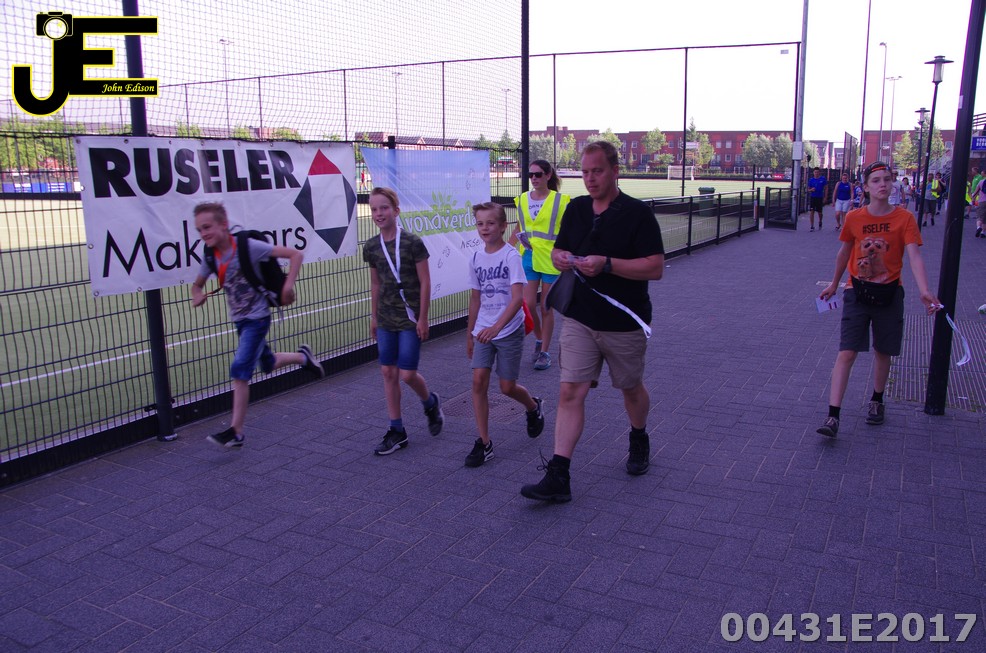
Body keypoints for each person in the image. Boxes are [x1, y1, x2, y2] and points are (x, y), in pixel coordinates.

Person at [520, 141, 664, 503]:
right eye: (585, 172)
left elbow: (655, 267)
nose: (590, 178)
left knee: (630, 389)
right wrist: (561, 257)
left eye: (597, 171)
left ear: (615, 170)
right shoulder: (577, 208)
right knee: (570, 391)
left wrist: (608, 264)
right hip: (580, 317)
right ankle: (559, 474)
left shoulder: (638, 214)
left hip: (623, 320)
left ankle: (639, 435)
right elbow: (558, 249)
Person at [816, 162, 940, 438]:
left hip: (890, 293)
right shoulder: (854, 217)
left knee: (883, 351)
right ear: (866, 187)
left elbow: (914, 255)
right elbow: (844, 252)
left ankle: (877, 399)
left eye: (887, 179)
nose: (883, 184)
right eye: (876, 180)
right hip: (857, 292)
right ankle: (833, 415)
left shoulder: (905, 218)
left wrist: (924, 290)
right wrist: (834, 284)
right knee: (847, 351)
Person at [190, 202, 324, 448]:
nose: (203, 233)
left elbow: (295, 255)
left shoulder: (248, 247)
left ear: (223, 224)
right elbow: (197, 285)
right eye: (199, 230)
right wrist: (197, 294)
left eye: (207, 227)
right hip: (239, 320)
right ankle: (304, 358)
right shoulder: (210, 256)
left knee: (240, 368)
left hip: (258, 318)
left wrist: (287, 286)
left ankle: (236, 431)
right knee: (268, 363)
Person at [362, 187, 444, 455]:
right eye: (374, 209)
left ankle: (430, 402)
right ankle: (396, 430)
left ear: (396, 211)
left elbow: (425, 281)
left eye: (384, 208)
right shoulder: (371, 247)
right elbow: (375, 284)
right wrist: (374, 317)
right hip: (386, 317)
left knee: (407, 374)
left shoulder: (412, 243)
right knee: (388, 372)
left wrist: (423, 317)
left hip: (410, 317)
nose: (379, 213)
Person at [465, 202, 546, 467]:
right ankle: (484, 442)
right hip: (484, 330)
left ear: (502, 226)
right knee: (478, 381)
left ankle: (532, 406)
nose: (485, 228)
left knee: (506, 387)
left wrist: (497, 328)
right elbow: (475, 299)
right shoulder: (475, 258)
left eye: (490, 223)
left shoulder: (511, 256)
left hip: (508, 330)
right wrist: (470, 333)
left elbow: (517, 299)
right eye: (480, 223)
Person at [510, 159, 570, 371]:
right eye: (531, 175)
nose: (534, 178)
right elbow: (519, 228)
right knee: (527, 304)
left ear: (548, 175)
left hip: (551, 259)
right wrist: (504, 250)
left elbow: (568, 230)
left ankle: (544, 352)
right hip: (528, 257)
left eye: (538, 174)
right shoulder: (523, 199)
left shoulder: (560, 201)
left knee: (545, 307)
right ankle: (539, 339)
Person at [807, 167, 827, 231]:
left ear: (819, 173)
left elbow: (826, 188)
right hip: (813, 197)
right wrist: (811, 190)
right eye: (815, 172)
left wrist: (825, 197)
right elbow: (808, 189)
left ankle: (820, 221)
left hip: (820, 197)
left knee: (819, 212)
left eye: (817, 172)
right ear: (813, 173)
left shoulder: (822, 179)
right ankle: (812, 226)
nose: (816, 173)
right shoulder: (811, 180)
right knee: (812, 211)